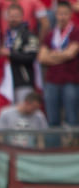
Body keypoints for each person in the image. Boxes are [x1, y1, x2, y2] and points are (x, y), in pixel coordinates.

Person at [37, 2, 79, 134]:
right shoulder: (50, 34)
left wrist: (53, 55)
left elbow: (71, 53)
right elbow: (41, 57)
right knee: (52, 119)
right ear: (55, 15)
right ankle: (53, 149)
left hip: (71, 81)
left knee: (72, 118)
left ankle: (72, 150)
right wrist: (61, 55)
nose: (62, 17)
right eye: (60, 14)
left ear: (70, 15)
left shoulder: (76, 32)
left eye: (65, 14)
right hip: (52, 81)